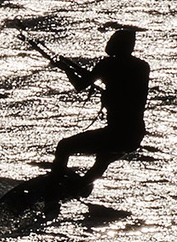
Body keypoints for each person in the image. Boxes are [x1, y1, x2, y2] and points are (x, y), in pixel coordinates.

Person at [45, 26, 149, 180]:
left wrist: (66, 69)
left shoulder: (107, 65)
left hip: (116, 133)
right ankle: (82, 185)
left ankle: (53, 186)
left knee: (64, 146)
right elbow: (123, 85)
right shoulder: (142, 66)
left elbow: (80, 85)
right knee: (103, 159)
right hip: (135, 134)